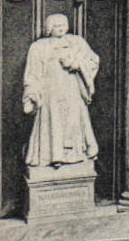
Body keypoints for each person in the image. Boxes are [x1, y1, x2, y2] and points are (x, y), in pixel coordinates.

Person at [22, 13, 99, 168]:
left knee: (74, 120)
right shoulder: (39, 47)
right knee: (53, 120)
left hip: (72, 88)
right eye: (57, 26)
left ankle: (75, 155)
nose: (61, 28)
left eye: (63, 25)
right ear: (49, 28)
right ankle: (54, 156)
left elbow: (93, 60)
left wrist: (76, 64)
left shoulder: (76, 42)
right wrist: (32, 94)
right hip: (50, 91)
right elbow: (32, 73)